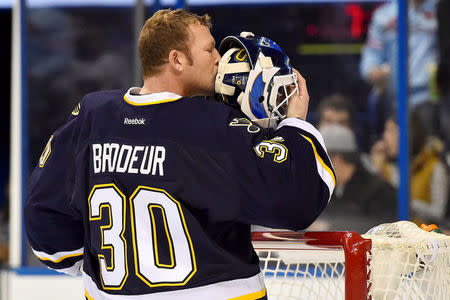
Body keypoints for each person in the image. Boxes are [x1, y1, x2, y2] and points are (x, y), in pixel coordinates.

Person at [24, 9, 335, 300]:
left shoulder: (93, 115)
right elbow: (297, 200)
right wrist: (296, 125)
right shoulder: (212, 125)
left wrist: (92, 260)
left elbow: (44, 216)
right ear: (176, 60)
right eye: (210, 49)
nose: (219, 59)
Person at [360, 0, 439, 135]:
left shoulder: (441, 9)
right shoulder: (384, 15)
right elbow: (372, 54)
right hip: (395, 97)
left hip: (431, 96)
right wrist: (373, 71)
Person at [311, 124, 397, 233]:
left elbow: (385, 229)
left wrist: (330, 227)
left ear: (336, 160)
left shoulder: (379, 191)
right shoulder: (332, 190)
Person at [370, 112, 448, 225]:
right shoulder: (384, 166)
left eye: (391, 131)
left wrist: (405, 202)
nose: (385, 137)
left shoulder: (434, 166)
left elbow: (438, 212)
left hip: (422, 236)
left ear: (409, 135)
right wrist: (376, 170)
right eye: (386, 130)